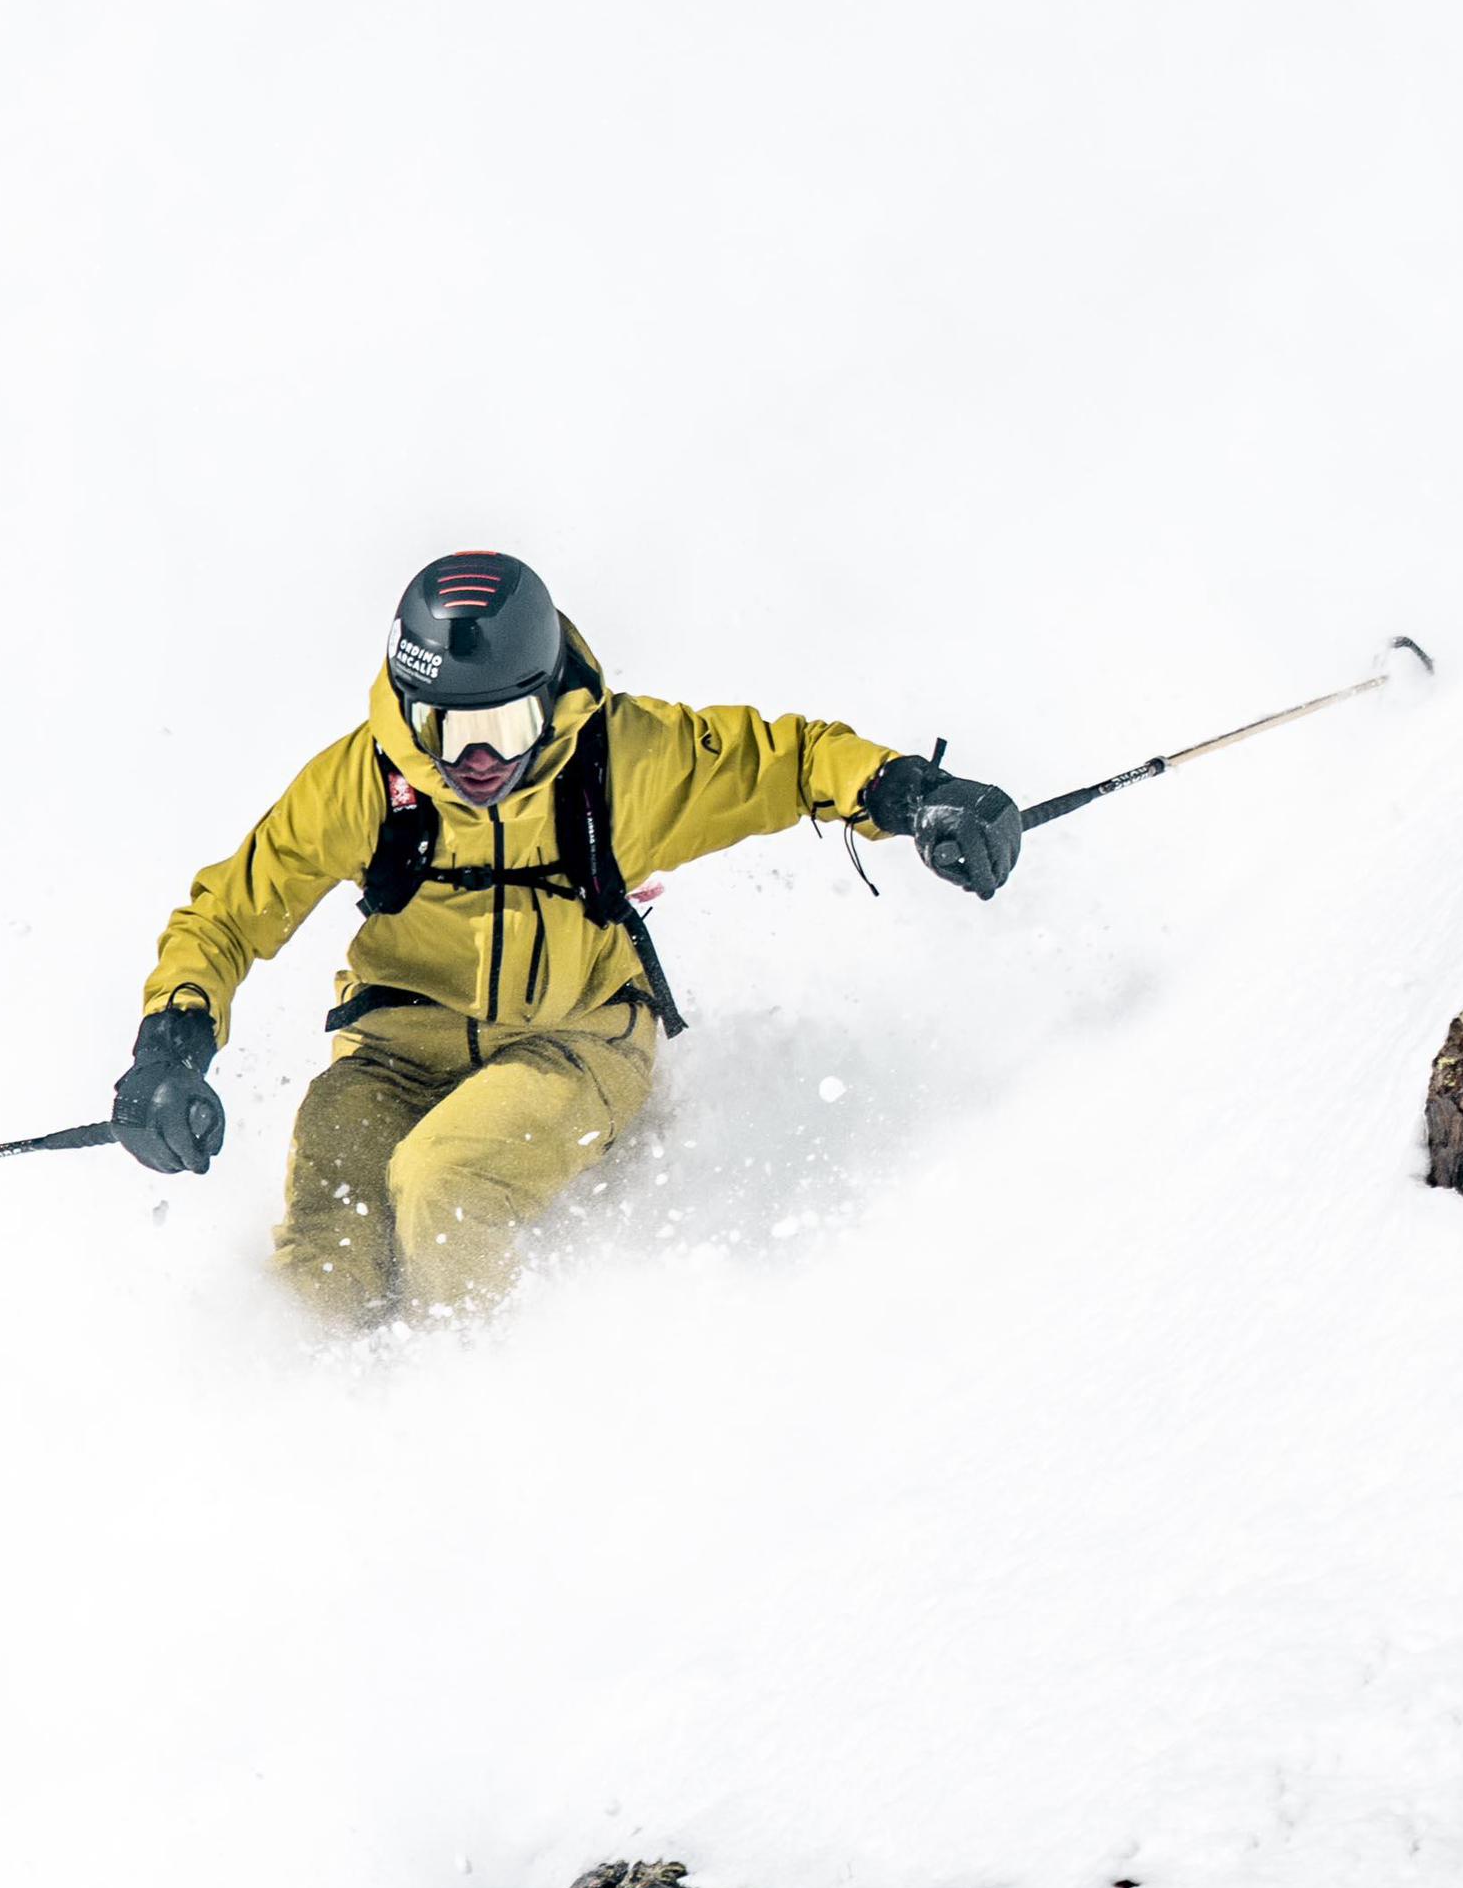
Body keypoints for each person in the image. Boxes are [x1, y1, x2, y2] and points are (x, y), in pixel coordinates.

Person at [110, 550, 1022, 1323]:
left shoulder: (621, 761)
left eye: (505, 726)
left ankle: (472, 1409)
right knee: (328, 1237)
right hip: (393, 1055)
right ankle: (309, 1438)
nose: (479, 762)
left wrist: (914, 795)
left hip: (576, 1040)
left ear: (549, 700)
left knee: (442, 1180)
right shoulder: (365, 782)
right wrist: (172, 1047)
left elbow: (785, 760)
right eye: (447, 730)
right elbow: (228, 911)